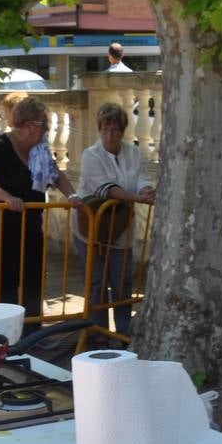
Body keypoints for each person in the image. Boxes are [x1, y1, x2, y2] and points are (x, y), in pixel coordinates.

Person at [0, 97, 78, 318]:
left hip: (30, 223)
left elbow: (55, 174)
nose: (47, 129)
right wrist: (7, 197)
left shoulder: (39, 149)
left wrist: (73, 196)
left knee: (34, 278)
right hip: (0, 227)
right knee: (7, 282)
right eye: (44, 124)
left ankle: (32, 331)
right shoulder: (2, 146)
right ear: (30, 126)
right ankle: (10, 333)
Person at [75, 102, 153, 335]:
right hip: (90, 226)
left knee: (122, 281)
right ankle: (98, 333)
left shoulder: (133, 152)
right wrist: (138, 199)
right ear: (99, 130)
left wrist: (146, 189)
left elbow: (140, 176)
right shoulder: (90, 155)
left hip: (121, 226)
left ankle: (122, 333)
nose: (110, 135)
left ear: (122, 131)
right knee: (97, 282)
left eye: (115, 129)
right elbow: (106, 189)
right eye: (105, 129)